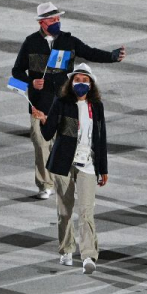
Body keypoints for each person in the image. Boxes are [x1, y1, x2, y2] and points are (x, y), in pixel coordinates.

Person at [12, 2, 126, 200]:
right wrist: (32, 82)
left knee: (66, 142)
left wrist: (112, 57)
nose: (57, 22)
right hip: (40, 103)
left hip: (65, 102)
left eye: (58, 19)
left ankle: (65, 180)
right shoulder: (30, 43)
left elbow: (90, 52)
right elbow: (16, 71)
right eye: (52, 19)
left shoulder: (68, 41)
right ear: (42, 22)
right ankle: (45, 184)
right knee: (41, 144)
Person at [31, 63, 107, 275]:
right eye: (77, 80)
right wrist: (42, 120)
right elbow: (48, 134)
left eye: (85, 80)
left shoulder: (96, 107)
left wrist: (103, 168)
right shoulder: (62, 102)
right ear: (71, 82)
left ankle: (88, 255)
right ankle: (66, 249)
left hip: (88, 166)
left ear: (91, 84)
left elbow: (101, 139)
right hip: (63, 165)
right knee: (64, 211)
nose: (81, 83)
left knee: (86, 211)